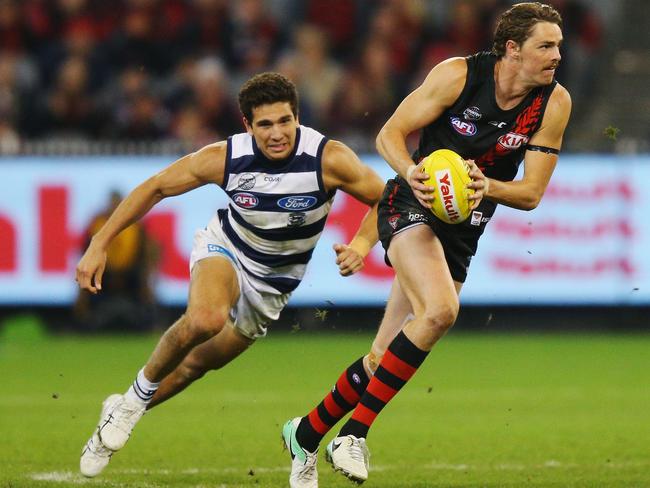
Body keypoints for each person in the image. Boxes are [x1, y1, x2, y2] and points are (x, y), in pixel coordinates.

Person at [282, 2, 572, 485]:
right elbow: (390, 134)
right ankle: (353, 435)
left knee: (381, 358)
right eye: (546, 45)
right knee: (440, 311)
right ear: (512, 49)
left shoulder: (554, 103)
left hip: (465, 224)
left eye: (560, 46)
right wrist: (412, 173)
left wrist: (486, 186)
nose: (557, 55)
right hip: (410, 203)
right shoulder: (458, 75)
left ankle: (305, 433)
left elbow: (532, 193)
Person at [76, 72, 385, 479]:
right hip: (227, 248)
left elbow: (386, 199)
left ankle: (120, 407)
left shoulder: (328, 159)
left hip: (274, 284)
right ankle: (131, 406)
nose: (277, 133)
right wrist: (100, 242)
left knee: (194, 367)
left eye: (284, 121)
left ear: (297, 117)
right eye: (265, 124)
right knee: (206, 318)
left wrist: (362, 245)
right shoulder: (226, 157)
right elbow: (156, 187)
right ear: (247, 125)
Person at [73, 190, 158, 332]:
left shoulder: (136, 224)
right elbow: (86, 252)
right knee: (86, 283)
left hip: (131, 275)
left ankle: (150, 322)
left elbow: (149, 251)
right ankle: (83, 323)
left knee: (145, 286)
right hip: (103, 274)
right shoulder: (98, 223)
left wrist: (147, 277)